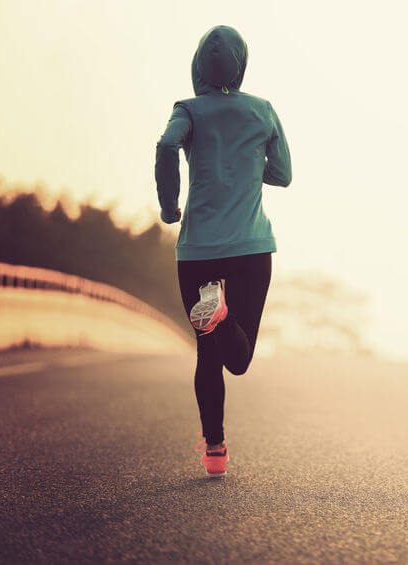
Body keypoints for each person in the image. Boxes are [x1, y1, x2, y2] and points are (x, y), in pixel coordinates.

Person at [154, 25, 292, 478]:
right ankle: (220, 315)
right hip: (251, 248)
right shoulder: (263, 111)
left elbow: (166, 145)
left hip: (198, 252)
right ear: (242, 64)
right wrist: (248, 170)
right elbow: (284, 174)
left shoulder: (188, 110)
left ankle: (215, 449)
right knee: (238, 358)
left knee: (207, 354)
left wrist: (168, 203)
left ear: (198, 66)